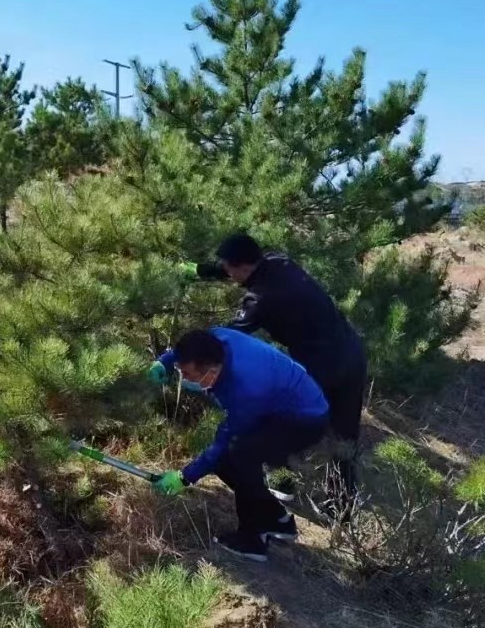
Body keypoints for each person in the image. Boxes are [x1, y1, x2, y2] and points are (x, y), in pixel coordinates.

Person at [179, 232, 367, 509]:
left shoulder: (261, 299)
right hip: (352, 353)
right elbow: (233, 266)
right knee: (345, 435)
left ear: (243, 266)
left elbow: (222, 339)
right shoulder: (278, 261)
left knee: (275, 417)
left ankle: (282, 485)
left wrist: (182, 357)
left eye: (229, 268)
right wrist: (200, 271)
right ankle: (342, 505)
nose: (228, 273)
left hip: (320, 365)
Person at [149, 328, 328, 562]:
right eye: (180, 371)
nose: (184, 378)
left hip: (304, 419)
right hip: (280, 402)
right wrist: (165, 361)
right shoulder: (217, 339)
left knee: (239, 457)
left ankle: (253, 539)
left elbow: (224, 443)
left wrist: (184, 477)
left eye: (189, 374)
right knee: (228, 460)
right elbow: (188, 350)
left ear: (212, 371)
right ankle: (276, 519)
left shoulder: (246, 389)